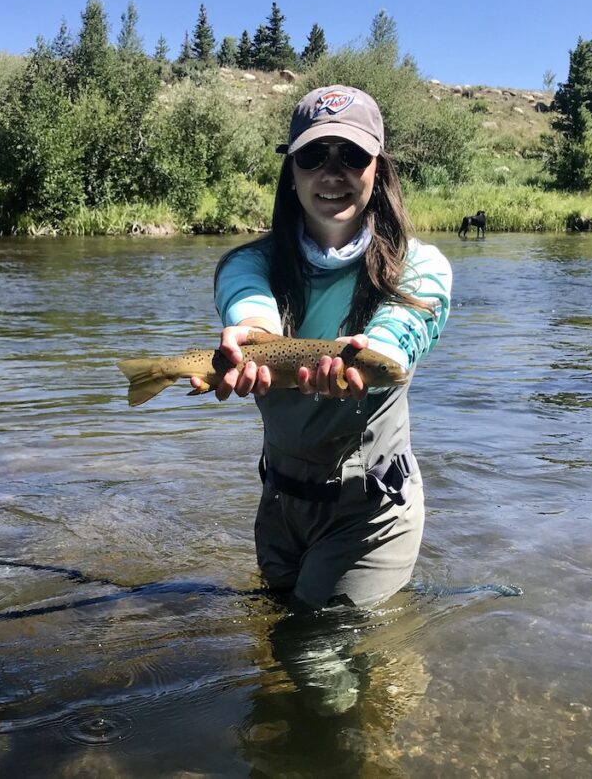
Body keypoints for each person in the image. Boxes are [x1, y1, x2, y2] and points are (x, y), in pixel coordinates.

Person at [193, 85, 452, 611]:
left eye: (352, 156)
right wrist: (253, 337)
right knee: (276, 642)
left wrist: (365, 352)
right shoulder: (249, 264)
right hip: (281, 507)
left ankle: (397, 690)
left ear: (378, 168)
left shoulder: (421, 268)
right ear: (291, 171)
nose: (332, 173)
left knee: (317, 660)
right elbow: (249, 304)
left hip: (371, 512)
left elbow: (397, 339)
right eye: (313, 156)